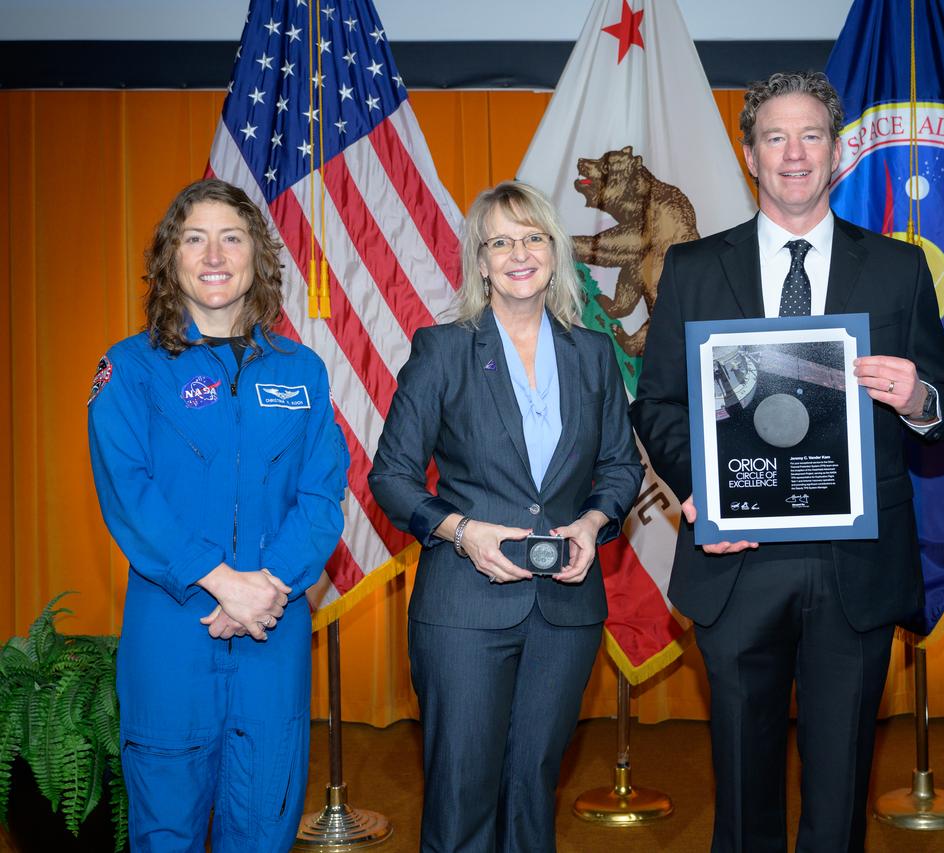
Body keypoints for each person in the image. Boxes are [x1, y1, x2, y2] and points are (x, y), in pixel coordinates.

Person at [630, 71, 944, 851]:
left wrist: (919, 396)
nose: (793, 153)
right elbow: (660, 405)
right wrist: (699, 490)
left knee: (839, 791)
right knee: (744, 793)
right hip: (738, 560)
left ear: (837, 151)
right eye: (775, 136)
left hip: (857, 569)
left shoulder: (897, 268)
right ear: (750, 154)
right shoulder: (693, 268)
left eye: (810, 134)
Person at [369, 181, 642, 853]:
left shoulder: (594, 352)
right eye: (501, 241)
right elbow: (390, 477)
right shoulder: (442, 349)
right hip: (464, 608)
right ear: (481, 262)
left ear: (554, 252)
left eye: (533, 237)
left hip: (567, 610)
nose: (519, 253)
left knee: (533, 789)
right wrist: (461, 531)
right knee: (462, 795)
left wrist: (593, 522)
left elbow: (619, 467)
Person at [87, 178, 349, 852]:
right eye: (194, 237)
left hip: (273, 624)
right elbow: (129, 493)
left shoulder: (303, 371)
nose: (213, 253)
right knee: (166, 828)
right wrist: (218, 578)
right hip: (172, 627)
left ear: (256, 257)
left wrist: (264, 586)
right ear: (170, 258)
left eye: (231, 237)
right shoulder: (130, 370)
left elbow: (322, 499)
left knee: (264, 823)